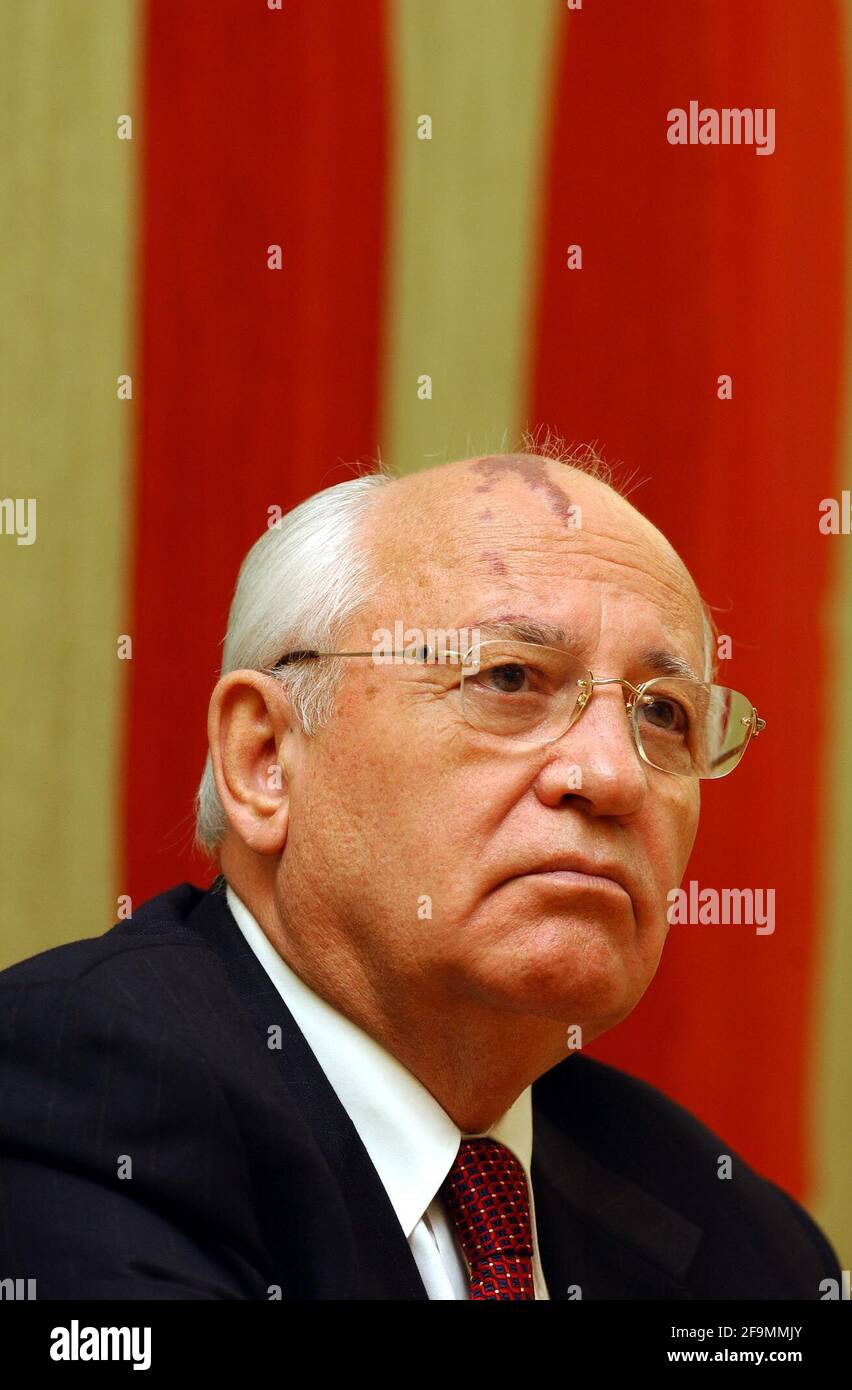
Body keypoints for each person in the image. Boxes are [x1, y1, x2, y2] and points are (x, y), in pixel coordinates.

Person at [0, 451, 840, 1299]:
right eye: (509, 678)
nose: (615, 775)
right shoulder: (73, 1094)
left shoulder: (745, 1242)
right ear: (264, 759)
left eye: (663, 713)